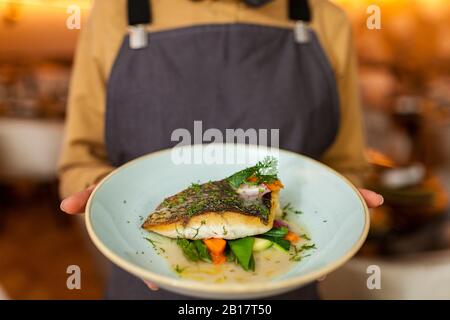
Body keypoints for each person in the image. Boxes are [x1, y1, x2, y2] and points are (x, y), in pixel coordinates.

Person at [58, 0, 383, 299]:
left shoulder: (325, 21)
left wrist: (338, 201)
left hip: (287, 280)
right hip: (146, 277)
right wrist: (108, 197)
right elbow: (80, 161)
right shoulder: (113, 14)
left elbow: (347, 162)